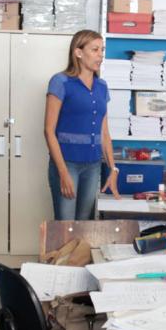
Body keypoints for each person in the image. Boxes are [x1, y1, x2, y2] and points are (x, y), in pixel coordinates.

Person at [43, 30, 118, 220]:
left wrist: (112, 168)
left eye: (102, 50)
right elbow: (49, 131)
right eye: (94, 50)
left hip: (93, 165)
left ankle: (77, 252)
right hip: (67, 164)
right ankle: (63, 252)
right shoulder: (60, 82)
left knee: (83, 223)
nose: (100, 55)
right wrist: (63, 173)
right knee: (66, 225)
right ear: (78, 52)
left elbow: (105, 132)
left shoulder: (102, 86)